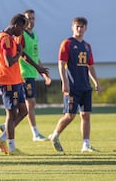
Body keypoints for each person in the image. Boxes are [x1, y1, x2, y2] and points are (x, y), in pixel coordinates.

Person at [0, 14, 49, 155]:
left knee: (24, 111)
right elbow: (9, 61)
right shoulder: (5, 39)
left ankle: (3, 138)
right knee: (11, 114)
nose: (23, 32)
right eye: (22, 28)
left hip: (15, 80)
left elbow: (22, 54)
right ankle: (11, 147)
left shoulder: (10, 38)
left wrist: (39, 68)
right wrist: (18, 53)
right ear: (16, 26)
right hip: (7, 81)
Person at [48, 17, 100, 153]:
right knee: (70, 115)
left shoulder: (87, 46)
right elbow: (61, 64)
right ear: (72, 27)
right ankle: (55, 135)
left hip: (85, 86)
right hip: (73, 87)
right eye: (77, 26)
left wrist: (96, 82)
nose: (80, 29)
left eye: (82, 27)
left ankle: (86, 145)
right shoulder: (67, 43)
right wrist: (64, 82)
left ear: (86, 28)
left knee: (86, 115)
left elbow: (91, 65)